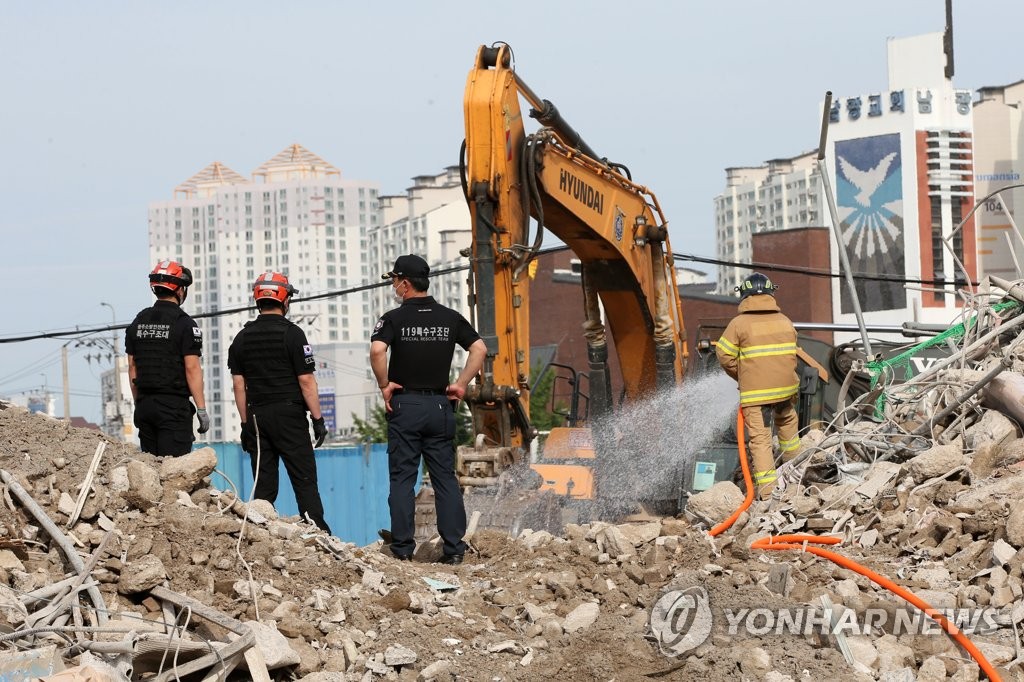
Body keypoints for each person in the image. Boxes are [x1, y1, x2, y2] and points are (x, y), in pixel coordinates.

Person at [370, 254, 487, 565]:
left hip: (405, 405)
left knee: (403, 479)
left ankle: (403, 549)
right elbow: (479, 349)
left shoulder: (393, 319)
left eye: (395, 280)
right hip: (439, 405)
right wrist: (460, 384)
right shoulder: (450, 317)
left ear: (406, 283)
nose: (394, 285)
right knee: (444, 479)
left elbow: (378, 349)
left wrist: (385, 384)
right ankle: (454, 550)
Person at [227, 271, 331, 533]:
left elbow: (239, 385)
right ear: (285, 300)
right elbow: (306, 381)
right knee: (304, 478)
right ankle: (316, 530)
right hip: (290, 417)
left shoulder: (241, 339)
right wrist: (318, 420)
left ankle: (260, 532)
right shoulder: (294, 335)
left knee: (263, 484)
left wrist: (244, 423)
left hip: (257, 418)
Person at [715, 272, 802, 501]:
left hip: (756, 395)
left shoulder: (739, 324)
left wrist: (743, 377)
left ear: (744, 295)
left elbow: (723, 355)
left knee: (761, 440)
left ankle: (768, 494)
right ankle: (796, 477)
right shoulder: (785, 321)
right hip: (786, 390)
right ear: (771, 293)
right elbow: (791, 354)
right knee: (788, 430)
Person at [126, 260, 208, 456]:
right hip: (173, 408)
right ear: (179, 290)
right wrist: (201, 409)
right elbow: (192, 368)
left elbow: (132, 367)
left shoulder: (138, 322)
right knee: (174, 470)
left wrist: (139, 403)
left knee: (151, 470)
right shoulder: (185, 324)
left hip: (145, 406)